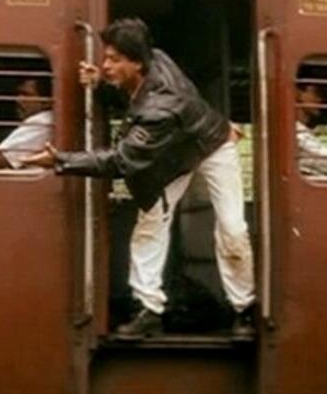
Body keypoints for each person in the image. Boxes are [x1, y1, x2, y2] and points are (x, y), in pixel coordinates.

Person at [24, 18, 255, 338]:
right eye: (106, 57)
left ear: (137, 63)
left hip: (211, 146)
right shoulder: (155, 58)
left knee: (233, 229)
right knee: (151, 225)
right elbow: (135, 96)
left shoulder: (161, 107)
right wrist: (102, 83)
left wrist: (60, 159)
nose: (105, 64)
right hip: (173, 154)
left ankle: (244, 308)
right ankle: (149, 309)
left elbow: (122, 160)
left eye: (114, 60)